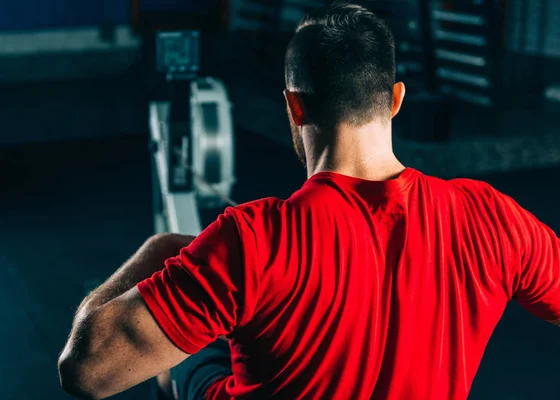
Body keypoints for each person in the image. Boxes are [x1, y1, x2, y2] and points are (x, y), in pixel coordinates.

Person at [58, 3, 560, 400]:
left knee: (177, 364)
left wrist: (160, 249)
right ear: (395, 100)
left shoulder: (252, 241)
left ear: (293, 106)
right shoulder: (491, 216)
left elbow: (86, 372)